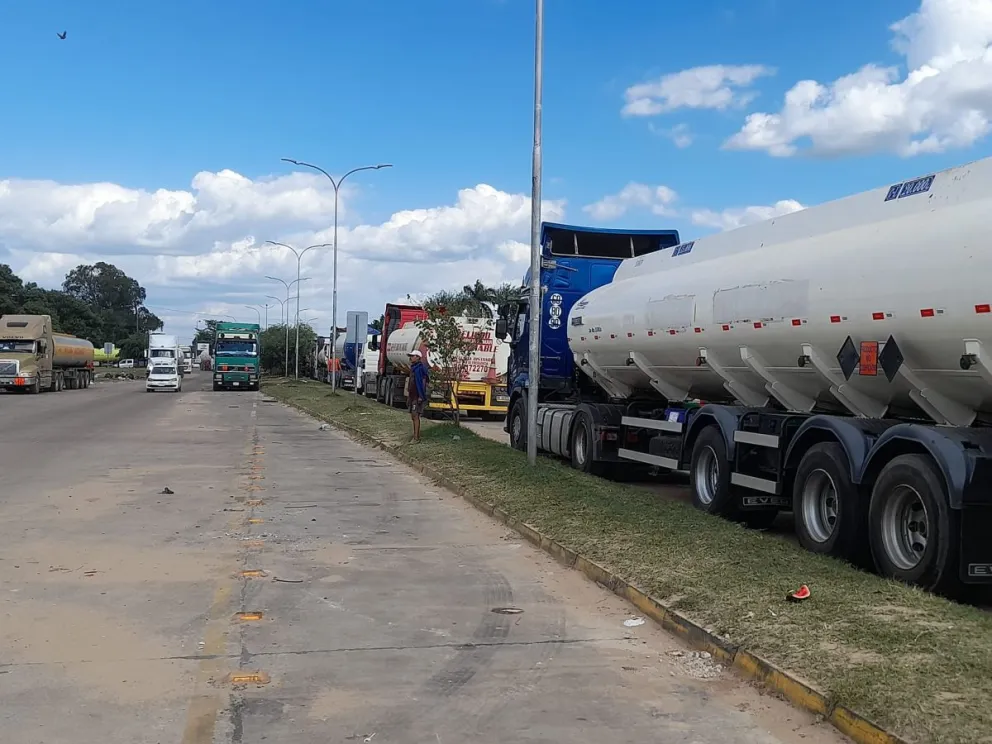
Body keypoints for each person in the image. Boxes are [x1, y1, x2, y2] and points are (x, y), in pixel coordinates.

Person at [406, 349, 429, 442]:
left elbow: (423, 382)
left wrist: (421, 395)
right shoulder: (413, 368)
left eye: (412, 356)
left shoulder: (420, 368)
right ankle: (415, 436)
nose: (411, 358)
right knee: (413, 415)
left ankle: (416, 438)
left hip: (417, 395)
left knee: (415, 415)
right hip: (412, 395)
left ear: (418, 357)